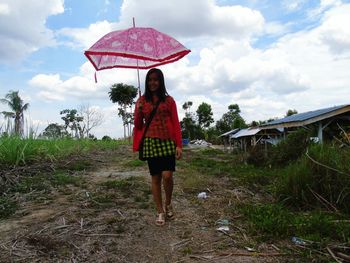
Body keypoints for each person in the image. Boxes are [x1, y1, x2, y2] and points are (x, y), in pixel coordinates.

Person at [133, 68, 182, 226]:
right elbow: (138, 125)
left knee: (167, 176)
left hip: (167, 141)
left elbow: (175, 123)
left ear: (161, 82)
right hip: (150, 142)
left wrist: (179, 145)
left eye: (156, 79)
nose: (152, 82)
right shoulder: (141, 101)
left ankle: (168, 203)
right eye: (150, 80)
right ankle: (160, 211)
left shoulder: (169, 101)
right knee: (156, 178)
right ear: (146, 82)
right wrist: (139, 111)